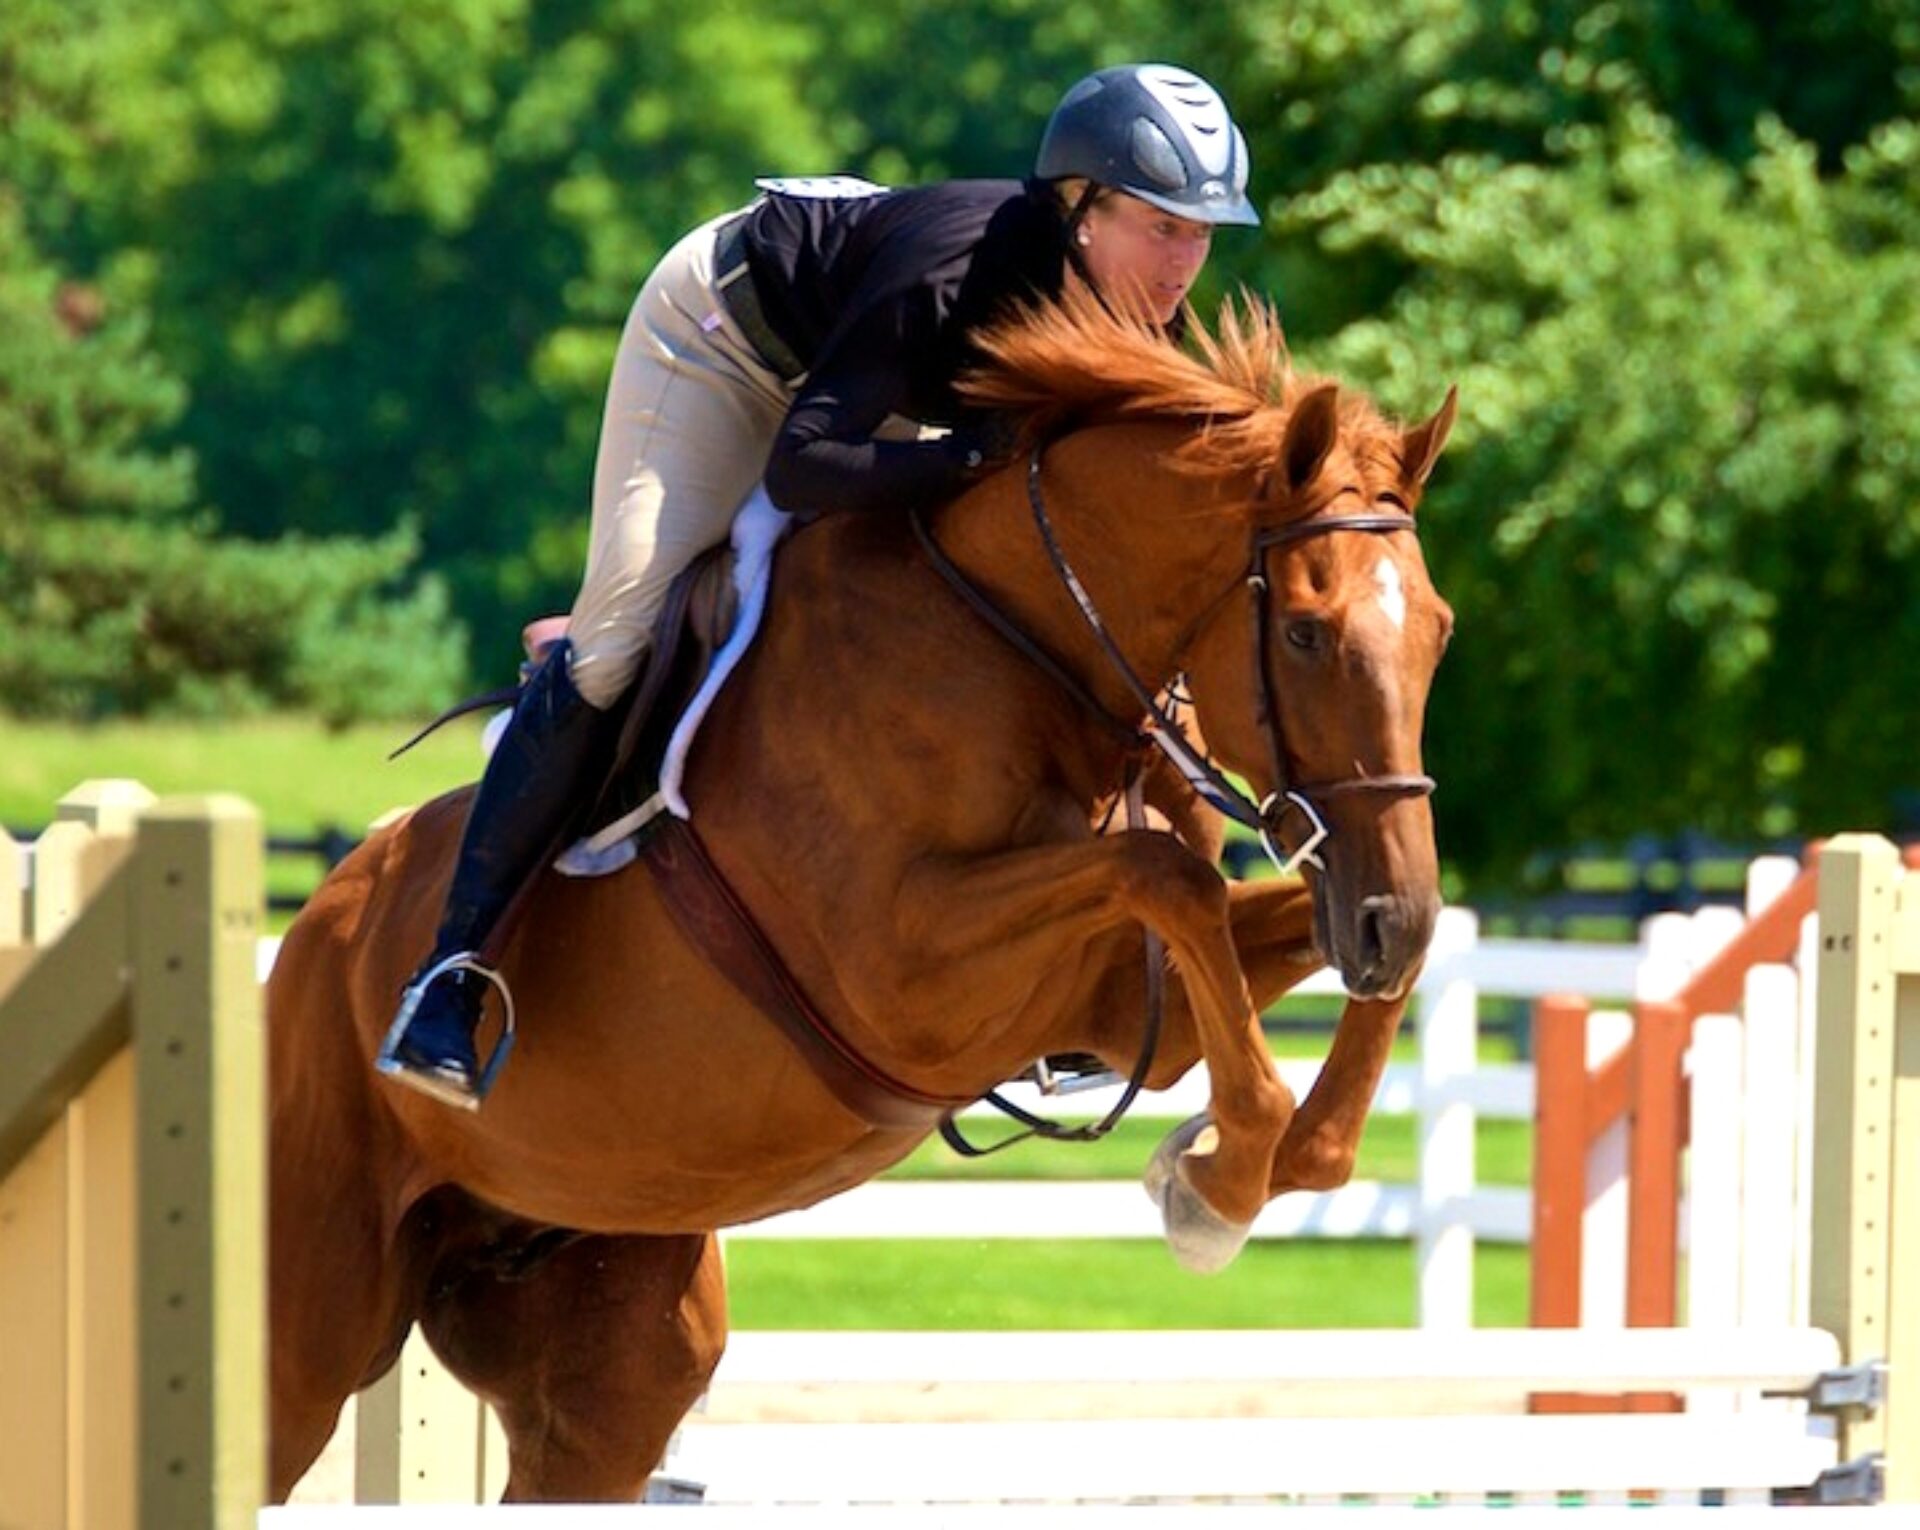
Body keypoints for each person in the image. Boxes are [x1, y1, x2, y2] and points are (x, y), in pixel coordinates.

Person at [378, 62, 1261, 1109]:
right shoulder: (952, 269)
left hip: (862, 376)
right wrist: (972, 460)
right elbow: (807, 464)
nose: (1183, 262)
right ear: (1079, 208)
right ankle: (449, 976)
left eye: (1202, 235)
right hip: (723, 342)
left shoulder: (1132, 323)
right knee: (621, 633)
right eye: (1161, 227)